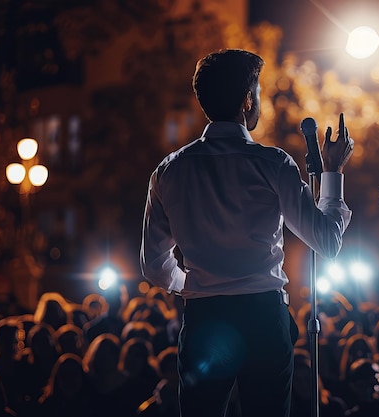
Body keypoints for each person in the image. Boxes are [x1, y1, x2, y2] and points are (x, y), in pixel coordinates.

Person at [140, 48, 354, 417]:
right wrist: (332, 173)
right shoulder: (273, 164)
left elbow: (155, 266)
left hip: (204, 317)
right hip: (263, 318)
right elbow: (327, 242)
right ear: (246, 100)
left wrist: (193, 285)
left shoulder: (169, 171)